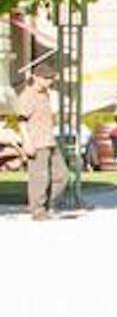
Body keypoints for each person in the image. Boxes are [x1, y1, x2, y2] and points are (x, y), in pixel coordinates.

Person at [16, 61, 56, 220]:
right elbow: (21, 120)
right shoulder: (27, 96)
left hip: (49, 139)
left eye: (51, 78)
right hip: (36, 141)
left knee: (62, 176)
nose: (49, 81)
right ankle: (37, 210)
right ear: (36, 77)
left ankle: (45, 204)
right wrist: (27, 142)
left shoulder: (45, 94)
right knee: (39, 177)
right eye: (46, 78)